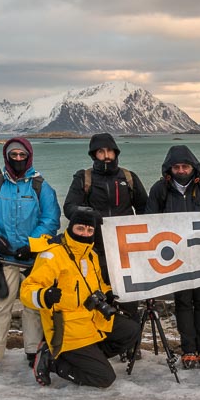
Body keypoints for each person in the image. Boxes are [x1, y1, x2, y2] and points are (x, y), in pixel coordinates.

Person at [21, 207, 142, 388]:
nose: (85, 234)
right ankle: (53, 362)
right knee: (104, 378)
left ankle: (89, 357)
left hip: (91, 320)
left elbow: (98, 284)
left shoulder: (91, 255)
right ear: (70, 228)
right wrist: (44, 295)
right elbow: (27, 290)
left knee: (131, 330)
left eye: (90, 230)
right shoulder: (53, 255)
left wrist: (108, 293)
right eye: (80, 228)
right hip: (67, 328)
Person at [0, 138, 60, 377]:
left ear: (28, 156)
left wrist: (32, 244)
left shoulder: (41, 186)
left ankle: (33, 350)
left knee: (33, 306)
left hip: (33, 259)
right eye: (14, 155)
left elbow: (50, 220)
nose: (18, 159)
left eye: (22, 155)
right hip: (3, 257)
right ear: (7, 157)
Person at [145, 145, 200, 369]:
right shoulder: (160, 189)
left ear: (193, 167)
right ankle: (188, 349)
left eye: (185, 166)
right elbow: (149, 221)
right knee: (182, 303)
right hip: (175, 257)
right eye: (177, 166)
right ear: (170, 168)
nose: (181, 170)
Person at [63, 133, 147, 323]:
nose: (106, 155)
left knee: (128, 297)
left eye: (109, 151)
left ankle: (128, 344)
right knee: (98, 295)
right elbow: (69, 208)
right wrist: (89, 214)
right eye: (101, 151)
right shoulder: (84, 178)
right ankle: (101, 342)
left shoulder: (129, 177)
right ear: (94, 155)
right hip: (94, 248)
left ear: (116, 152)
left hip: (125, 249)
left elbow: (144, 209)